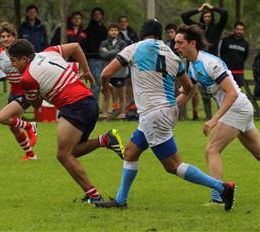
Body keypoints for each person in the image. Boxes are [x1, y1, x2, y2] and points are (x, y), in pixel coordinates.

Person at [95, 19, 235, 211]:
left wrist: (105, 87)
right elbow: (188, 88)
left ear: (143, 33)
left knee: (173, 165)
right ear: (160, 34)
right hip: (166, 111)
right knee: (130, 152)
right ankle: (120, 200)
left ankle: (222, 188)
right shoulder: (172, 55)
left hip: (154, 114)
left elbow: (105, 73)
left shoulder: (134, 48)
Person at [8, 39, 124, 203]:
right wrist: (87, 71)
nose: (13, 66)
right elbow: (76, 47)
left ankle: (94, 196)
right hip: (90, 103)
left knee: (63, 155)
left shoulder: (27, 78)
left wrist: (31, 95)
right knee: (73, 151)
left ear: (24, 59)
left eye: (13, 61)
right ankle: (106, 140)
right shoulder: (49, 51)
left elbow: (37, 105)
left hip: (75, 106)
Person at [174, 24, 260, 205]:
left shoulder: (210, 63)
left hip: (236, 107)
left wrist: (214, 119)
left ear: (192, 43)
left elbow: (232, 93)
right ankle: (219, 195)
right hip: (240, 108)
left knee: (212, 150)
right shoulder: (191, 66)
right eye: (175, 43)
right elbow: (188, 92)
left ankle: (218, 197)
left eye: (179, 43)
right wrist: (169, 107)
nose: (176, 47)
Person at [0, 22, 38, 160]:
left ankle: (30, 125)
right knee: (14, 127)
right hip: (14, 93)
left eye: (8, 36)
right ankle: (31, 155)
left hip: (27, 91)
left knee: (2, 117)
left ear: (14, 37)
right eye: (2, 36)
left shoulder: (22, 49)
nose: (5, 39)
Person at [181, 2, 228, 120]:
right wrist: (199, 9)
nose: (207, 18)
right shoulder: (197, 28)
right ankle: (208, 117)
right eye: (205, 16)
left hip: (213, 65)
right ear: (202, 17)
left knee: (218, 92)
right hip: (198, 64)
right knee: (204, 94)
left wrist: (213, 8)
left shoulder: (217, 27)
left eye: (209, 16)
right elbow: (184, 16)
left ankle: (221, 117)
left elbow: (225, 13)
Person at [99, 24, 128, 120]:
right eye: (111, 30)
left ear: (118, 32)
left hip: (120, 72)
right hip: (108, 72)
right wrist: (116, 51)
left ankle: (122, 114)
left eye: (115, 30)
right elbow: (102, 55)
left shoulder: (123, 43)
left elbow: (123, 55)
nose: (113, 32)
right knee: (106, 93)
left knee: (121, 94)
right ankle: (105, 114)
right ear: (108, 32)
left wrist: (109, 52)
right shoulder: (104, 43)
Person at [165, 23, 193, 120]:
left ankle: (182, 115)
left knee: (183, 91)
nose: (170, 34)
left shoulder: (182, 44)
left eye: (172, 32)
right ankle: (174, 114)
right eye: (168, 32)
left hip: (181, 72)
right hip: (172, 73)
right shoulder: (167, 45)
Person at [82, 8, 107, 102]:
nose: (97, 16)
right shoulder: (89, 29)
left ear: (102, 16)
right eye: (95, 14)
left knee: (102, 83)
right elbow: (88, 43)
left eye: (99, 14)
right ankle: (93, 104)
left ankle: (96, 105)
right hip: (93, 58)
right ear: (93, 16)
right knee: (96, 83)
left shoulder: (104, 29)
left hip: (104, 59)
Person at [118, 15, 139, 120]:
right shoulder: (118, 34)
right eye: (121, 22)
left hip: (132, 61)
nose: (123, 23)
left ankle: (132, 106)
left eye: (125, 21)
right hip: (122, 61)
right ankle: (122, 108)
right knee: (123, 86)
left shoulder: (132, 32)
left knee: (132, 83)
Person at [220, 22, 249, 89]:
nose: (239, 31)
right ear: (234, 29)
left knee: (237, 93)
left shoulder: (245, 43)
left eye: (241, 29)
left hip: (239, 73)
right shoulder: (226, 40)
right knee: (226, 92)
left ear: (243, 31)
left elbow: (245, 56)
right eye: (238, 29)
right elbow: (221, 53)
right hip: (227, 72)